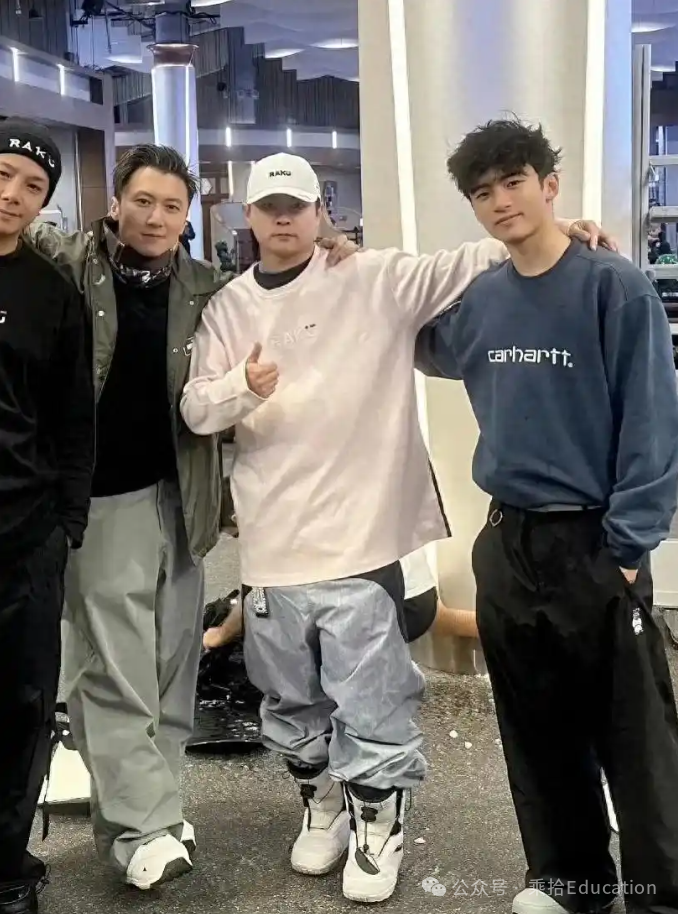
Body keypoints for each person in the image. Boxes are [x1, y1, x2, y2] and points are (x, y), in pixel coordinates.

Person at [180, 151, 610, 904]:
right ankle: (321, 802)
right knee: (289, 699)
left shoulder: (371, 277)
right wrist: (241, 387)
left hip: (363, 536)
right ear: (249, 217)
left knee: (371, 696)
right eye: (270, 208)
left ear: (320, 213)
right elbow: (195, 408)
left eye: (297, 207)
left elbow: (463, 262)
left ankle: (379, 821)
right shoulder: (227, 307)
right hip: (273, 542)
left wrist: (557, 229)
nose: (284, 219)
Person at [24, 144, 358, 892]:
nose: (155, 217)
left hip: (182, 498)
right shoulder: (70, 265)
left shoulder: (206, 287)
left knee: (174, 668)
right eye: (142, 201)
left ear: (188, 218)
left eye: (172, 206)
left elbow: (286, 289)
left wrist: (333, 241)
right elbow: (22, 227)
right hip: (98, 502)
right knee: (113, 669)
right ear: (115, 203)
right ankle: (139, 827)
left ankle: (158, 811)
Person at [415, 118, 678, 914]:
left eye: (514, 182)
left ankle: (661, 894)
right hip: (508, 540)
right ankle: (570, 880)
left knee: (634, 735)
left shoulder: (613, 287)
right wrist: (350, 272)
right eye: (482, 193)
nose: (500, 202)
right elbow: (412, 336)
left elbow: (653, 423)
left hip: (595, 539)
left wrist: (627, 547)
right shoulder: (483, 301)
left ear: (550, 184)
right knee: (535, 724)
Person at [0, 118, 94, 914]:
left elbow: (71, 420)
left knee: (23, 704)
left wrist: (67, 524)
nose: (13, 196)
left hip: (26, 533)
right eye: (2, 176)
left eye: (33, 187)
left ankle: (7, 865)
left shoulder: (51, 292)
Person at [203, 546, 479, 650]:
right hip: (418, 596)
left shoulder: (271, 524)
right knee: (441, 620)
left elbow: (257, 595)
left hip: (387, 604)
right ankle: (507, 633)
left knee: (275, 612)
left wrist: (220, 634)